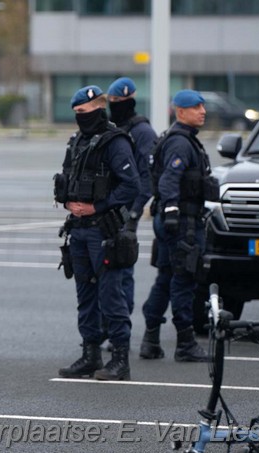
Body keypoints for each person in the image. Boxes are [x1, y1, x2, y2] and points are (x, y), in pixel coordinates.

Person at [54, 85, 140, 381]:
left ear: (99, 109)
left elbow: (132, 185)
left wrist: (97, 207)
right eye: (77, 114)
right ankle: (90, 355)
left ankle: (119, 359)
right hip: (78, 231)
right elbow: (67, 180)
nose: (80, 118)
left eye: (85, 113)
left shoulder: (115, 142)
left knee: (111, 297)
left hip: (104, 231)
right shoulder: (77, 142)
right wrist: (68, 202)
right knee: (86, 297)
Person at [139, 89, 217, 363]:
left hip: (173, 219)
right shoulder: (181, 144)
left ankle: (150, 340)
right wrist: (172, 211)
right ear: (180, 111)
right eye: (196, 107)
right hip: (181, 222)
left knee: (166, 278)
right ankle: (185, 342)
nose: (202, 111)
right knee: (184, 279)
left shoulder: (180, 140)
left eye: (203, 106)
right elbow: (169, 180)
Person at [107, 77, 157, 315]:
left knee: (122, 266)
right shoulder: (112, 128)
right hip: (108, 208)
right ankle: (109, 323)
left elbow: (147, 178)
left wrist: (134, 213)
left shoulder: (143, 131)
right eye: (112, 100)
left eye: (119, 101)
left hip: (127, 210)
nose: (114, 105)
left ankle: (121, 324)